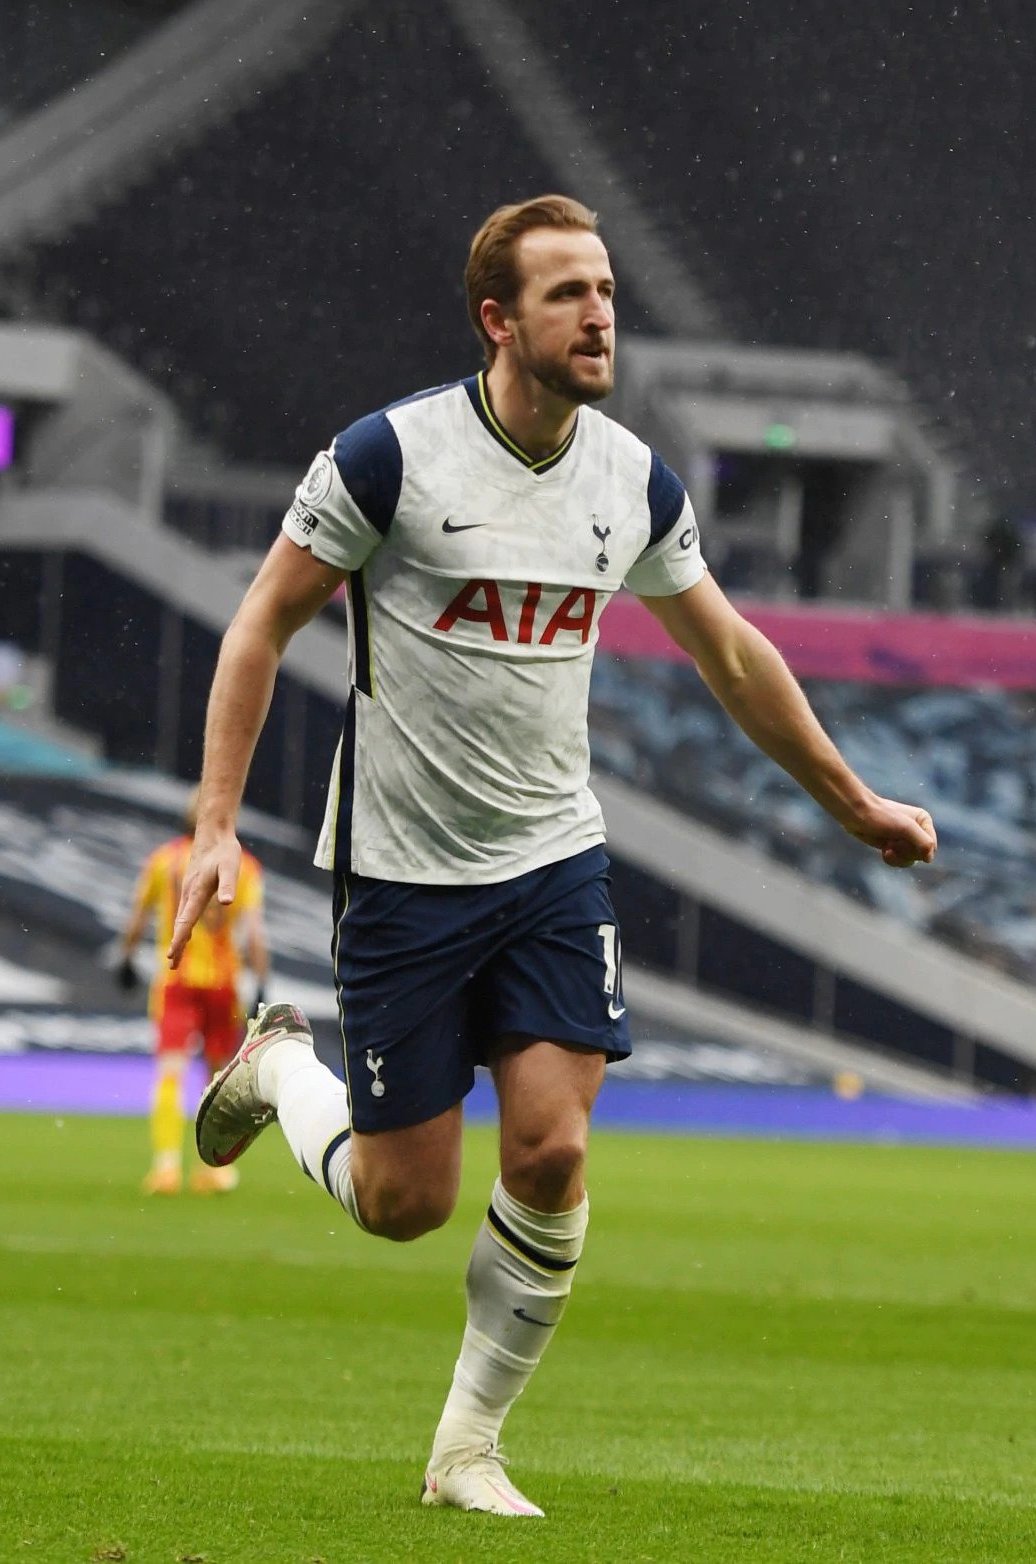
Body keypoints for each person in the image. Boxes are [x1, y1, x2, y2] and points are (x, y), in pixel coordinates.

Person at [168, 194, 936, 1517]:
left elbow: (730, 652)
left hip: (551, 863)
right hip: (403, 870)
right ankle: (281, 1066)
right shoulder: (387, 459)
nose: (600, 316)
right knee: (404, 1203)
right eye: (569, 294)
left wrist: (852, 799)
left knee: (551, 1154)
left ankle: (467, 1449)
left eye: (608, 292)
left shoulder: (631, 480)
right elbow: (260, 625)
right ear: (498, 320)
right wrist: (215, 823)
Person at [118, 786, 268, 1195]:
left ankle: (166, 1166)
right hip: (223, 985)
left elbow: (138, 917)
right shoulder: (246, 867)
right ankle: (215, 1168)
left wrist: (127, 958)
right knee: (218, 1078)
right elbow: (254, 934)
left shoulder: (164, 860)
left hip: (176, 980)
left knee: (170, 1070)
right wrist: (261, 980)